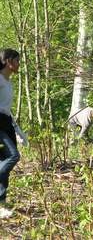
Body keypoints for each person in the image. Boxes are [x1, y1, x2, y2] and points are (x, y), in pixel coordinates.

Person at [0, 48, 26, 219]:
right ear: (8, 61)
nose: (18, 64)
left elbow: (7, 110)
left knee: (3, 163)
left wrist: (18, 131)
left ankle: (1, 206)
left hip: (6, 123)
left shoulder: (8, 82)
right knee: (13, 156)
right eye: (16, 60)